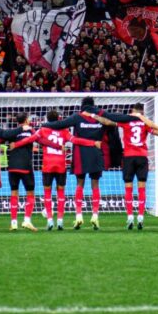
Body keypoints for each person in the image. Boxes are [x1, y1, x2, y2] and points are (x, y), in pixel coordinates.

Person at [10, 110, 101, 231]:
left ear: (47, 119)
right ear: (59, 119)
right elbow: (76, 140)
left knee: (47, 193)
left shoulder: (43, 130)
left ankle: (49, 220)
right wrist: (92, 143)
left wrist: (16, 144)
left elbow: (31, 139)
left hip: (47, 165)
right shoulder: (64, 131)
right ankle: (60, 221)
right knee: (61, 193)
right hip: (60, 165)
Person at [43, 96, 113, 230]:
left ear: (83, 106)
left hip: (80, 153)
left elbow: (60, 124)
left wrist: (45, 125)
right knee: (95, 184)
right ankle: (95, 215)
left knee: (80, 183)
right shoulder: (100, 119)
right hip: (96, 152)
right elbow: (111, 127)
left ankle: (79, 215)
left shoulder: (77, 117)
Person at [93, 104, 158, 230]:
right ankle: (140, 216)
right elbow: (156, 131)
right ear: (142, 113)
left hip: (128, 157)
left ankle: (129, 216)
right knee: (141, 188)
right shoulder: (146, 123)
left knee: (128, 187)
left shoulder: (126, 122)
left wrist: (93, 115)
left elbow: (107, 121)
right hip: (142, 157)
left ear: (133, 112)